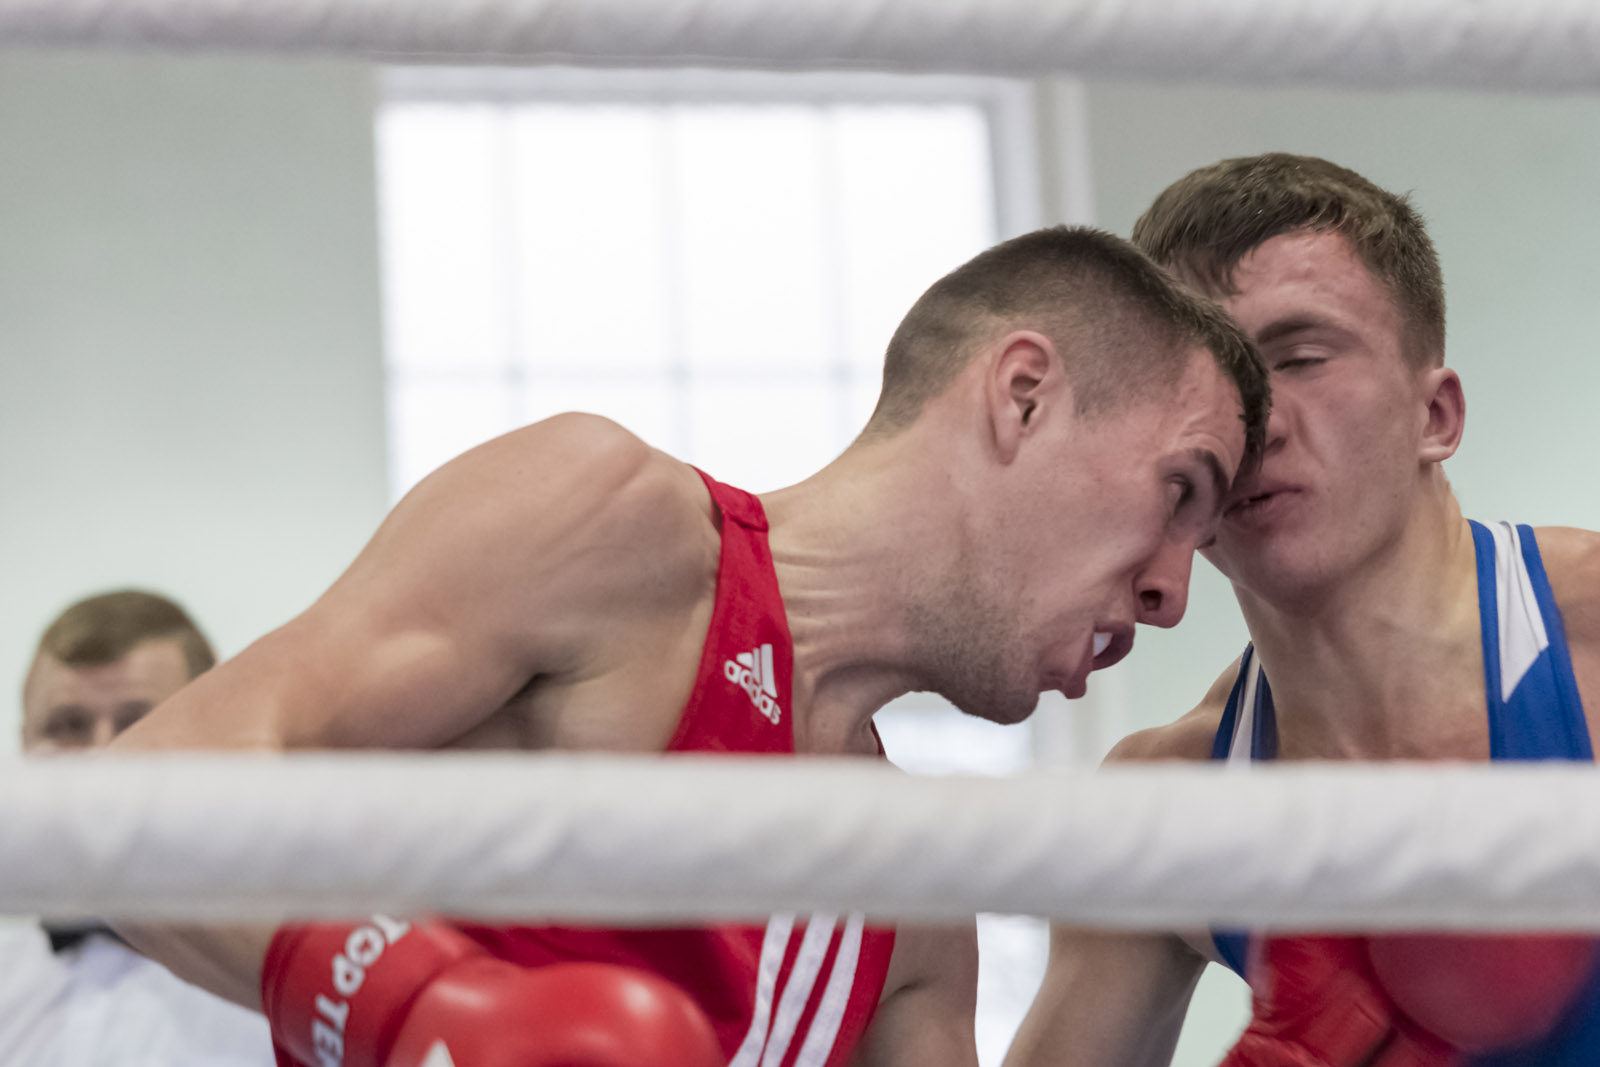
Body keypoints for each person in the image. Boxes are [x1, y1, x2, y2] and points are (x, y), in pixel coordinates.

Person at [112, 225, 1269, 1067]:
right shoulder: (611, 526)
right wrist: (433, 1009)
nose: (1173, 592)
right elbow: (146, 797)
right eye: (1178, 491)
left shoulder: (913, 908)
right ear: (1022, 395)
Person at [1005, 154, 1600, 1067]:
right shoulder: (1168, 805)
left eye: (1302, 359)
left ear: (1435, 416)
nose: (1259, 423)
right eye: (1211, 383)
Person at [2, 590, 275, 1067]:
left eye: (139, 722)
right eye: (68, 725)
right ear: (25, 743)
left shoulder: (293, 989)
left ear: (210, 739)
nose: (102, 757)